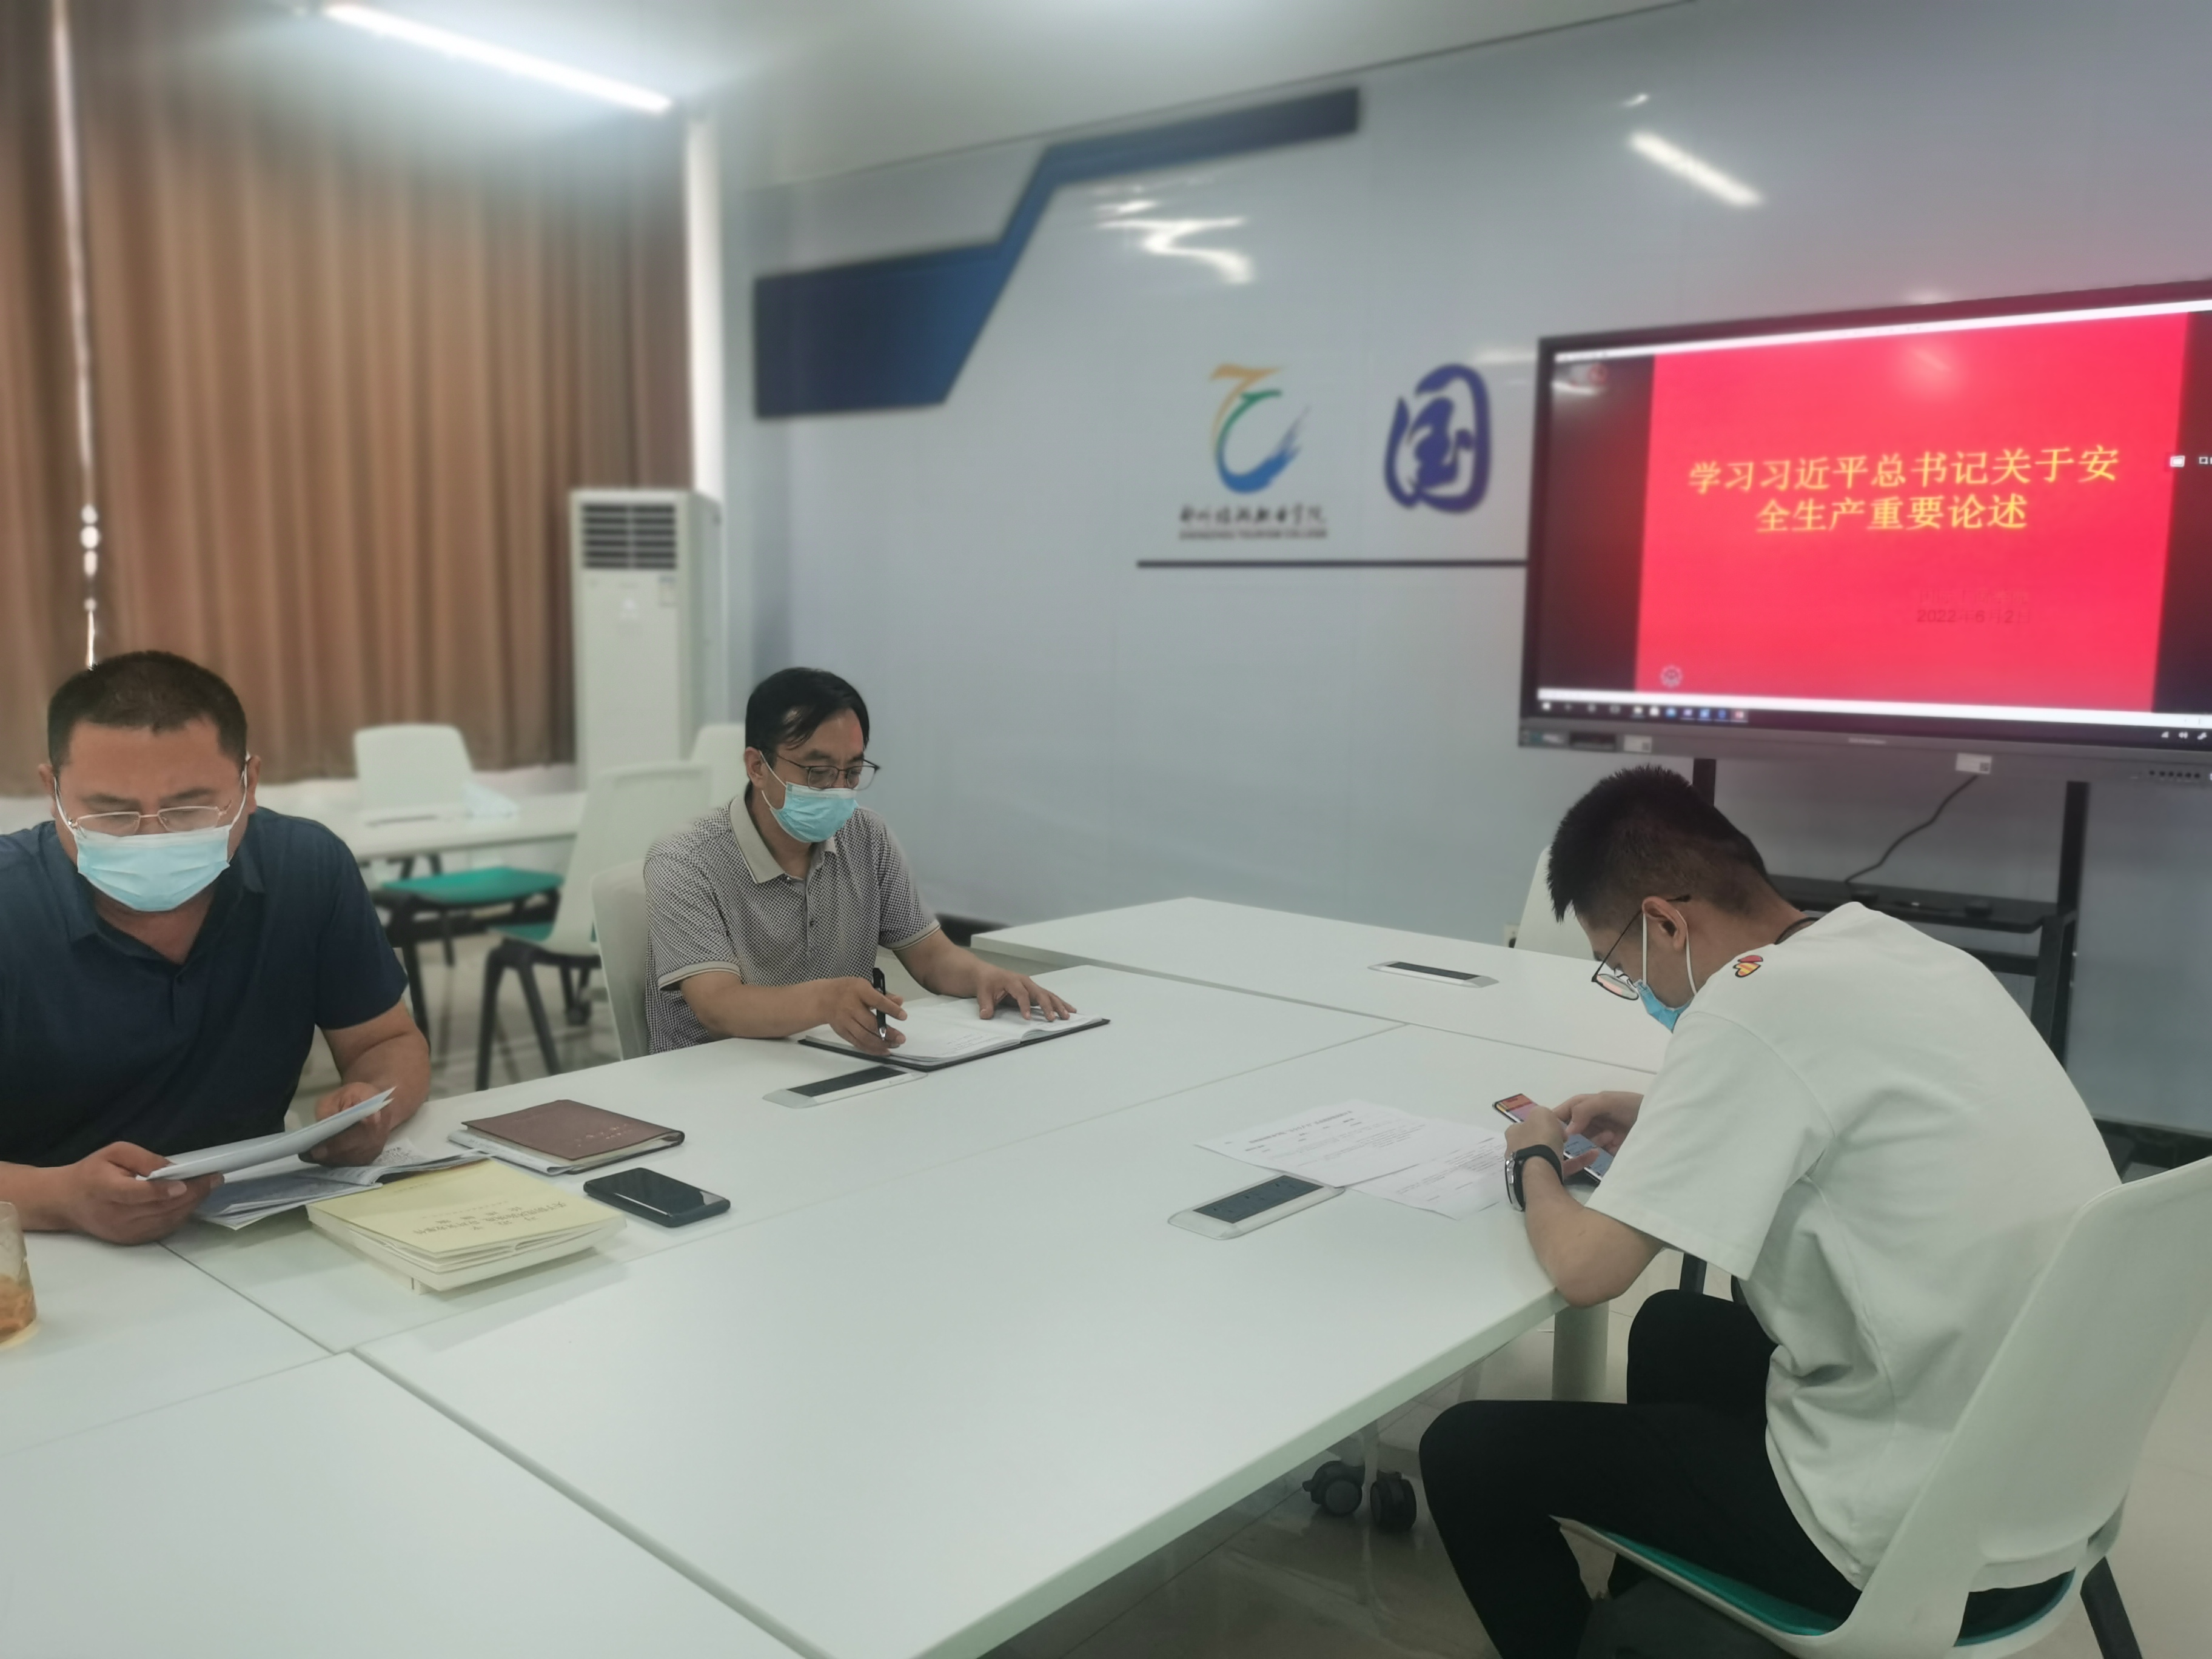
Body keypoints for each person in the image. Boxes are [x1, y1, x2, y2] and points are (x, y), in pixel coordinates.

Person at [1419, 766, 2113, 1658]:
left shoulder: (1745, 1008)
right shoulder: (1896, 952)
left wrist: (1536, 1162)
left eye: (1620, 967)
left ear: (1665, 923)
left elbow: (1587, 1272)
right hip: (2039, 1479)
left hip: (1910, 1541)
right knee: (1674, 1328)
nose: (1637, 988)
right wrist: (1668, 1118)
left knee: (1467, 1452)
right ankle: (1659, 1617)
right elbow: (1841, 1112)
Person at [0, 652, 429, 1244]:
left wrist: (373, 1105)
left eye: (190, 809)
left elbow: (386, 1041)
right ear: (52, 793)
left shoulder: (305, 868)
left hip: (250, 1223)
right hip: (39, 1249)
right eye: (112, 813)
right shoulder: (11, 904)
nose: (151, 838)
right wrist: (62, 1201)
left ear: (249, 784)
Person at [644, 666, 1073, 1053]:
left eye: (851, 772)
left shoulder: (866, 836)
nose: (838, 790)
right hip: (711, 1082)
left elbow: (930, 956)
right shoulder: (686, 859)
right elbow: (718, 1005)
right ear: (757, 767)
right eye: (818, 773)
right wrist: (825, 1001)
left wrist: (985, 978)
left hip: (833, 1063)